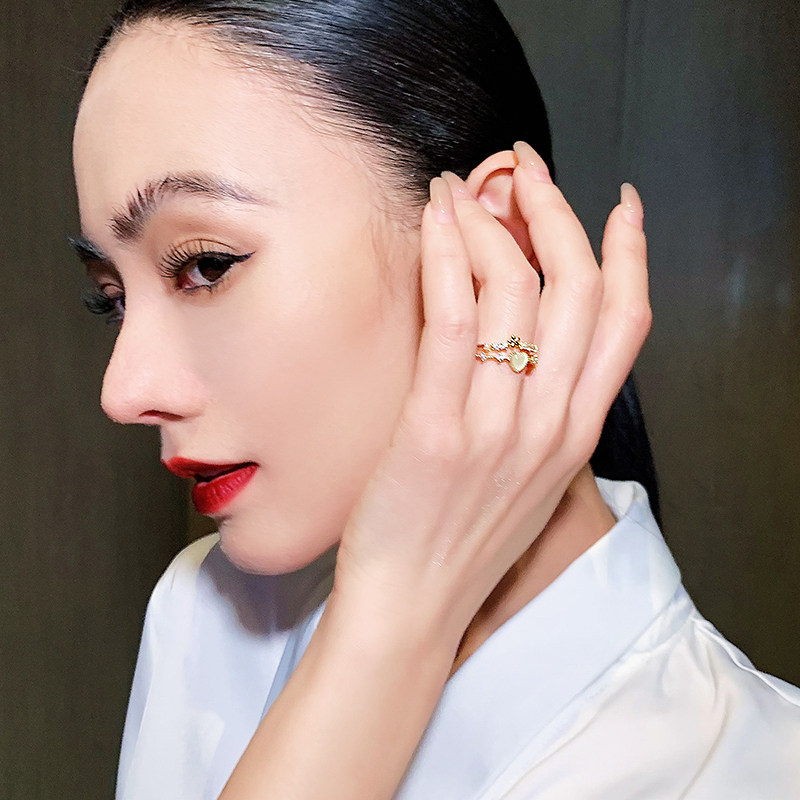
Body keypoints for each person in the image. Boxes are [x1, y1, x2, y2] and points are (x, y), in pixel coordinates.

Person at [70, 0, 800, 798]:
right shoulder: (201, 617)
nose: (124, 391)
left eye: (205, 265)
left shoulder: (757, 765)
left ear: (495, 241)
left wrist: (391, 618)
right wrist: (387, 630)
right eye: (112, 297)